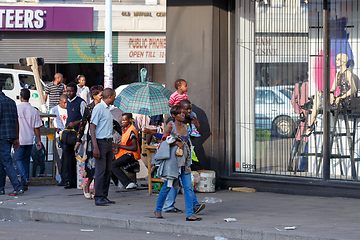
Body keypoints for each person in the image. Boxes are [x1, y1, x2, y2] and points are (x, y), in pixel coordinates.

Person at [146, 100, 205, 214]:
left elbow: (191, 136)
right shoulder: (170, 125)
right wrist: (175, 143)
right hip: (172, 161)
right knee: (167, 187)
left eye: (184, 112)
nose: (183, 114)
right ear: (174, 115)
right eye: (180, 113)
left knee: (188, 188)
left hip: (185, 161)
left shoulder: (187, 126)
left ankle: (190, 214)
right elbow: (163, 140)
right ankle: (158, 210)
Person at [305, 53, 357, 136]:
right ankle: (311, 124)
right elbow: (332, 88)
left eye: (338, 59)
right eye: (336, 59)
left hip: (345, 101)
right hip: (337, 100)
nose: (336, 61)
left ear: (343, 61)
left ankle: (311, 125)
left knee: (317, 101)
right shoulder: (338, 74)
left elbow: (354, 89)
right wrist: (332, 94)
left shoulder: (348, 73)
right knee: (318, 94)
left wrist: (341, 97)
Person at [74, 85, 104, 199]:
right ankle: (87, 186)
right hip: (92, 138)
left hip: (103, 137)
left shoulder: (104, 107)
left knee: (100, 165)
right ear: (95, 96)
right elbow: (83, 124)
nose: (102, 97)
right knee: (91, 164)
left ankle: (96, 189)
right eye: (101, 95)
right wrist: (78, 141)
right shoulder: (89, 108)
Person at [90, 88, 116, 206]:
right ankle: (98, 196)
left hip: (108, 142)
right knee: (100, 171)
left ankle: (104, 195)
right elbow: (92, 127)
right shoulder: (98, 108)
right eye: (114, 96)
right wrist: (95, 146)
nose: (114, 98)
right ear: (110, 97)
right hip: (100, 143)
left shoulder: (108, 110)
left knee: (107, 170)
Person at [14, 89, 42, 191]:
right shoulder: (34, 110)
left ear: (21, 97)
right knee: (26, 161)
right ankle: (25, 183)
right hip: (29, 140)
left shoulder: (16, 108)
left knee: (18, 160)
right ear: (29, 97)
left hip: (19, 139)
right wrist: (39, 140)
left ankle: (24, 178)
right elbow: (37, 127)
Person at [0, 84, 24, 196]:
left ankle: (17, 187)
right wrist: (17, 138)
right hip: (10, 135)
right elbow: (16, 121)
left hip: (2, 136)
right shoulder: (11, 101)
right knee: (2, 162)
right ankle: (1, 188)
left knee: (7, 162)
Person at [62, 82, 86, 189]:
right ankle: (68, 180)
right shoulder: (68, 101)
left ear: (76, 91)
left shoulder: (81, 103)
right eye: (67, 91)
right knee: (67, 157)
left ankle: (76, 181)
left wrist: (76, 123)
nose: (69, 93)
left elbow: (86, 118)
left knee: (78, 158)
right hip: (69, 135)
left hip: (78, 135)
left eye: (71, 91)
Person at [112, 113, 140, 190]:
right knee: (109, 164)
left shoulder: (132, 130)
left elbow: (134, 147)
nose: (122, 122)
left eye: (124, 120)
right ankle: (118, 182)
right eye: (122, 121)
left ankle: (128, 183)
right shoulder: (126, 130)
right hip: (124, 153)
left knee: (113, 165)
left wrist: (119, 146)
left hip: (131, 154)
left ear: (130, 120)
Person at [50, 94, 68, 184]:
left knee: (66, 157)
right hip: (58, 136)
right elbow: (49, 122)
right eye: (64, 103)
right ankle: (62, 177)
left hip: (67, 135)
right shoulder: (54, 110)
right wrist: (55, 128)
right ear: (60, 102)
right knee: (60, 157)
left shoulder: (68, 109)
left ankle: (66, 177)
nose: (66, 105)